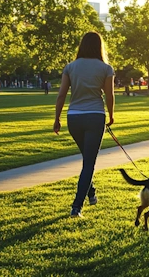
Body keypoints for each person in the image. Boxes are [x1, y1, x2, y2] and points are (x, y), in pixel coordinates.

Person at [53, 32, 115, 218]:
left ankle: (92, 193)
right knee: (89, 162)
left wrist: (57, 119)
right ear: (99, 46)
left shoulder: (71, 67)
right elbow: (110, 95)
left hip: (74, 118)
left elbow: (62, 95)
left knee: (87, 160)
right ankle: (76, 207)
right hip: (95, 116)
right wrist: (111, 116)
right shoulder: (105, 68)